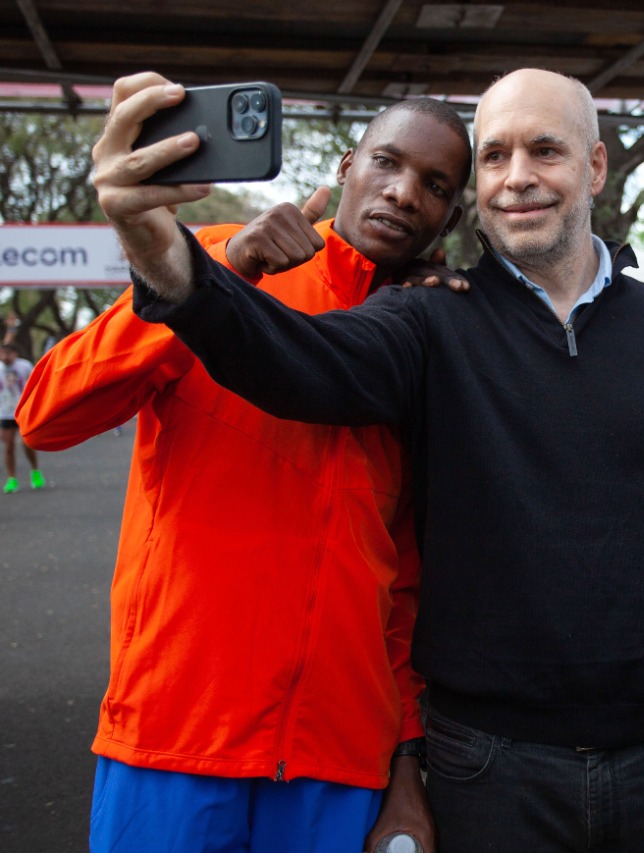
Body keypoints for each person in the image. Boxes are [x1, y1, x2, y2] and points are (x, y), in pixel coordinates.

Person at [91, 68, 644, 853]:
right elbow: (296, 358)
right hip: (488, 768)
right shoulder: (429, 316)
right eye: (494, 156)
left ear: (595, 167)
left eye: (545, 151)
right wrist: (167, 257)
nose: (518, 177)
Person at [17, 73, 472, 853]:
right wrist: (222, 274)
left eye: (434, 186)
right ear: (344, 166)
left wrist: (405, 762)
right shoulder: (217, 261)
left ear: (450, 216)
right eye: (387, 164)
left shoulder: (427, 337)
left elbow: (400, 584)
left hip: (338, 756)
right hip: (175, 733)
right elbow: (47, 413)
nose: (403, 194)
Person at [2, 341, 44, 493]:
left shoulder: (24, 366)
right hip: (5, 413)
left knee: (27, 443)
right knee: (8, 447)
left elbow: (37, 383)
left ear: (15, 353)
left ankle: (35, 471)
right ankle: (12, 479)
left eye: (8, 353)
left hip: (24, 411)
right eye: (2, 353)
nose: (5, 356)